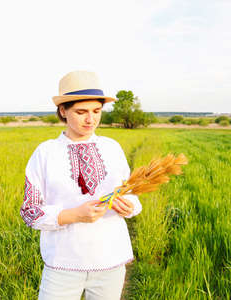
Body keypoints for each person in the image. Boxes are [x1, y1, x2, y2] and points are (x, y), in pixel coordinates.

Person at [20, 70, 142, 300]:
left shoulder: (112, 148)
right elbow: (30, 212)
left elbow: (133, 194)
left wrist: (130, 206)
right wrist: (75, 214)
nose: (91, 119)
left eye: (97, 111)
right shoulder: (45, 153)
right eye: (81, 112)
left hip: (111, 261)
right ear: (63, 111)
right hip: (63, 263)